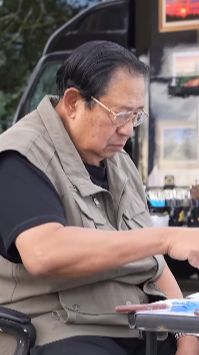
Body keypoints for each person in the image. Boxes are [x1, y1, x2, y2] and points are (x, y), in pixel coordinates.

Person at [0, 41, 199, 355]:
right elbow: (43, 252)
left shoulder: (120, 164)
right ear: (74, 102)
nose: (128, 131)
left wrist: (189, 337)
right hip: (62, 330)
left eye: (136, 116)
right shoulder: (19, 158)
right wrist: (165, 236)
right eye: (120, 114)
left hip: (141, 329)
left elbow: (155, 265)